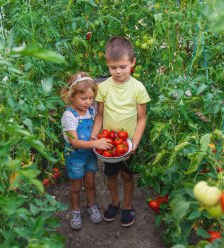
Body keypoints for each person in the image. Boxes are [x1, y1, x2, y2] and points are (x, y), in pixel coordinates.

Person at [91, 37, 151, 227]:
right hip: (109, 143)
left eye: (123, 67)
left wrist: (136, 142)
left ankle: (127, 205)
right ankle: (114, 202)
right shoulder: (104, 87)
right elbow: (99, 114)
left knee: (127, 175)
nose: (118, 72)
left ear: (132, 62)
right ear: (108, 65)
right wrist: (94, 136)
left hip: (128, 143)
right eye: (113, 67)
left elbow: (142, 118)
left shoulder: (138, 88)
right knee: (110, 175)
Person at [61, 72, 113, 230]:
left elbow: (97, 127)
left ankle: (92, 206)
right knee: (76, 187)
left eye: (91, 98)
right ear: (72, 97)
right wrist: (96, 143)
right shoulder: (69, 116)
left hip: (90, 156)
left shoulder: (91, 111)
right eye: (83, 99)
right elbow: (75, 142)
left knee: (90, 184)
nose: (88, 102)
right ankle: (76, 211)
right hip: (75, 157)